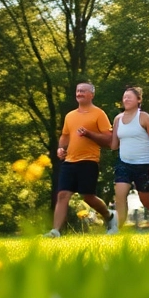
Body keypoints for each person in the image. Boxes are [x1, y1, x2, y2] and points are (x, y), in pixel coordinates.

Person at [47, 82, 116, 237]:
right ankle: (55, 231)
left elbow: (109, 139)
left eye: (83, 91)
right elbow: (65, 135)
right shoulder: (70, 116)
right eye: (78, 91)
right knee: (62, 195)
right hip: (70, 161)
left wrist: (89, 134)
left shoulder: (99, 114)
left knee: (88, 197)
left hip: (89, 161)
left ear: (91, 94)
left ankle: (109, 216)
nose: (79, 93)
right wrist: (60, 148)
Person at [110, 86, 149, 230]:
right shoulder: (118, 119)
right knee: (120, 196)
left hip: (144, 165)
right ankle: (117, 230)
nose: (126, 99)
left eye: (130, 97)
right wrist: (92, 135)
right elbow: (113, 145)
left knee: (146, 201)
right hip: (123, 163)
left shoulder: (144, 118)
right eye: (124, 97)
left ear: (138, 100)